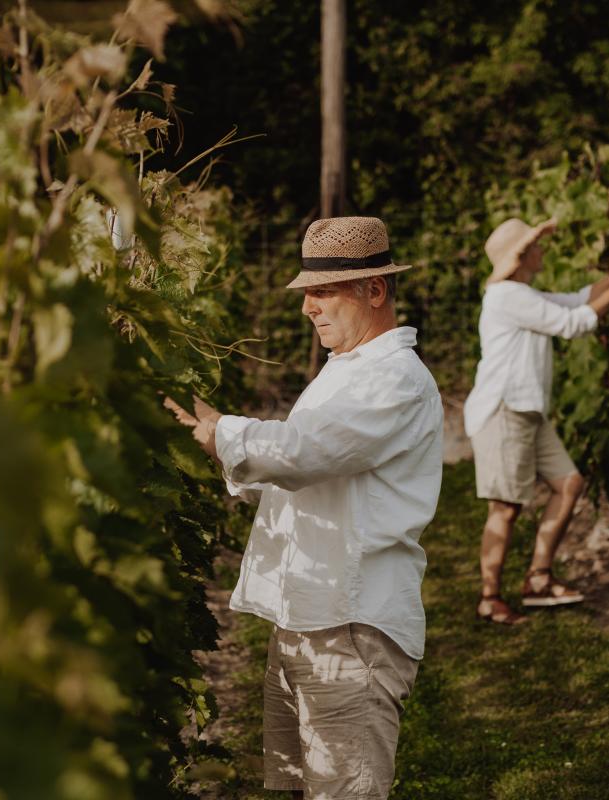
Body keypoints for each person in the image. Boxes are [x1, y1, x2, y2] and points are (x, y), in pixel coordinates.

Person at [167, 216, 443, 800]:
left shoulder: (394, 379)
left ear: (375, 290)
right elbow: (308, 471)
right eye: (307, 292)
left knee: (345, 791)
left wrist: (219, 432)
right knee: (297, 787)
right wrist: (220, 439)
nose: (307, 308)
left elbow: (305, 452)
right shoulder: (346, 370)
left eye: (322, 292)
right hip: (305, 618)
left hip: (350, 626)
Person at [463, 217, 609, 625]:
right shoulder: (506, 296)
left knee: (569, 484)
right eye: (536, 246)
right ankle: (490, 598)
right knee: (505, 507)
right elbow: (572, 323)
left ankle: (538, 578)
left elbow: (576, 300)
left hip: (528, 411)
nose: (544, 251)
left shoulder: (523, 292)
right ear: (521, 257)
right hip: (504, 411)